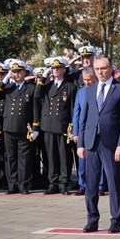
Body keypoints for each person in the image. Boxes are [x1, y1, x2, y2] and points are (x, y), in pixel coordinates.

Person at [77, 56, 120, 233]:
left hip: (111, 144)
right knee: (90, 184)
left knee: (114, 183)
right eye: (97, 69)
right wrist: (81, 143)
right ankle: (92, 219)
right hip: (92, 142)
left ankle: (116, 220)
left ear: (111, 69)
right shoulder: (90, 89)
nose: (100, 72)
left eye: (103, 68)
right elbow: (84, 118)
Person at [0, 61, 40, 194]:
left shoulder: (31, 88)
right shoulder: (7, 88)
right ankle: (12, 184)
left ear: (24, 72)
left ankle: (24, 185)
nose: (16, 74)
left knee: (24, 159)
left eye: (19, 71)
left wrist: (35, 127)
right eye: (14, 72)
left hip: (24, 128)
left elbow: (35, 108)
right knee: (10, 158)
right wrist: (5, 80)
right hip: (8, 127)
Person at [35, 57, 77, 195]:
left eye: (58, 68)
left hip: (63, 126)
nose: (55, 70)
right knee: (50, 155)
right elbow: (36, 95)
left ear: (64, 70)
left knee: (64, 156)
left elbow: (72, 109)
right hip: (48, 126)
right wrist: (43, 77)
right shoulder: (47, 86)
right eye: (53, 68)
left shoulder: (70, 87)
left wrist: (72, 127)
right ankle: (52, 183)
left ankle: (63, 182)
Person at [72, 67, 107, 196]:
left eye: (89, 80)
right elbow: (77, 113)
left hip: (96, 130)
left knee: (99, 159)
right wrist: (75, 132)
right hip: (84, 131)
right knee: (82, 159)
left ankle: (100, 185)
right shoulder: (80, 92)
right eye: (84, 80)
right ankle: (83, 184)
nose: (86, 82)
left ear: (95, 79)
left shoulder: (100, 90)